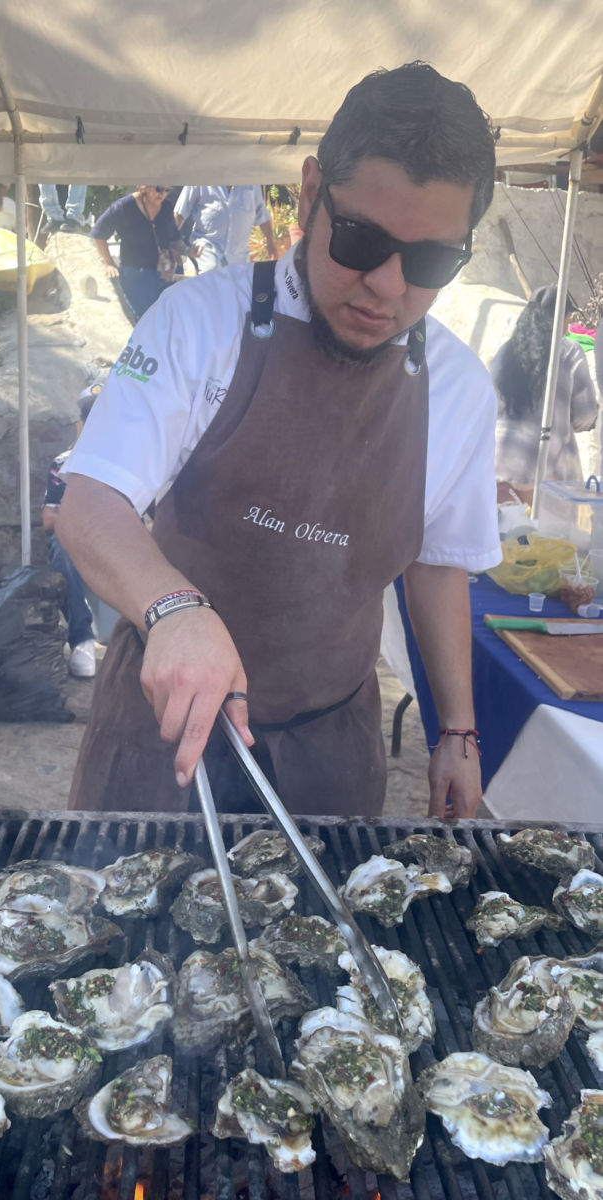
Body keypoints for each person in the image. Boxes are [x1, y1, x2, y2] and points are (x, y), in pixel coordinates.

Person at [58, 62, 501, 820]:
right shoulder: (197, 322)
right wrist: (173, 608)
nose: (388, 287)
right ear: (309, 193)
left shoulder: (459, 389)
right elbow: (90, 501)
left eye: (430, 261)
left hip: (331, 747)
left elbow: (438, 564)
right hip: (164, 737)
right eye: (360, 241)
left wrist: (456, 728)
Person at [491, 285, 598, 499]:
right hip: (546, 471)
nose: (568, 329)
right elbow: (586, 415)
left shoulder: (504, 351)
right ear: (562, 318)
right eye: (568, 321)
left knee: (508, 531)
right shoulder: (569, 352)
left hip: (497, 466)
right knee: (547, 532)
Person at [42, 382, 103, 679]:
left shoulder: (135, 462)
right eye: (90, 416)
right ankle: (82, 641)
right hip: (78, 540)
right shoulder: (63, 464)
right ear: (81, 423)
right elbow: (49, 521)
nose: (96, 422)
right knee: (60, 547)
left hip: (122, 544)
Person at [90, 186, 186, 322]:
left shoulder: (166, 207)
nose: (163, 194)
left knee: (170, 318)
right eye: (159, 189)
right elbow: (99, 234)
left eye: (166, 190)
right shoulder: (124, 207)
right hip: (135, 275)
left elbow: (174, 237)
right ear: (145, 187)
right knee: (144, 320)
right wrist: (109, 263)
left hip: (163, 274)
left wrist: (187, 251)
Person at [173, 185, 276, 271]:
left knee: (236, 292)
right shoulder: (200, 176)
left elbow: (261, 213)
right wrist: (171, 244)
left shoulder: (250, 182)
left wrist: (270, 243)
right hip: (206, 248)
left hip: (239, 256)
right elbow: (180, 212)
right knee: (211, 272)